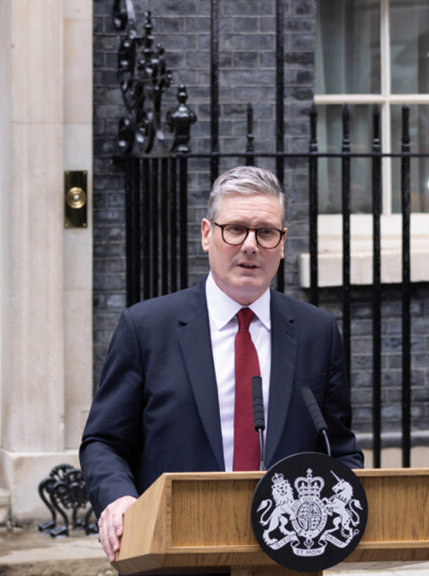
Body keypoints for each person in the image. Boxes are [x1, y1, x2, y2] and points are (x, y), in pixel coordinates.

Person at [80, 166, 363, 563]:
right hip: (173, 554)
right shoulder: (147, 328)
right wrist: (118, 499)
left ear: (281, 244)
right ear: (207, 234)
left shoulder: (318, 332)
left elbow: (339, 449)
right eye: (235, 229)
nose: (250, 245)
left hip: (283, 560)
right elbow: (104, 441)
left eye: (266, 232)